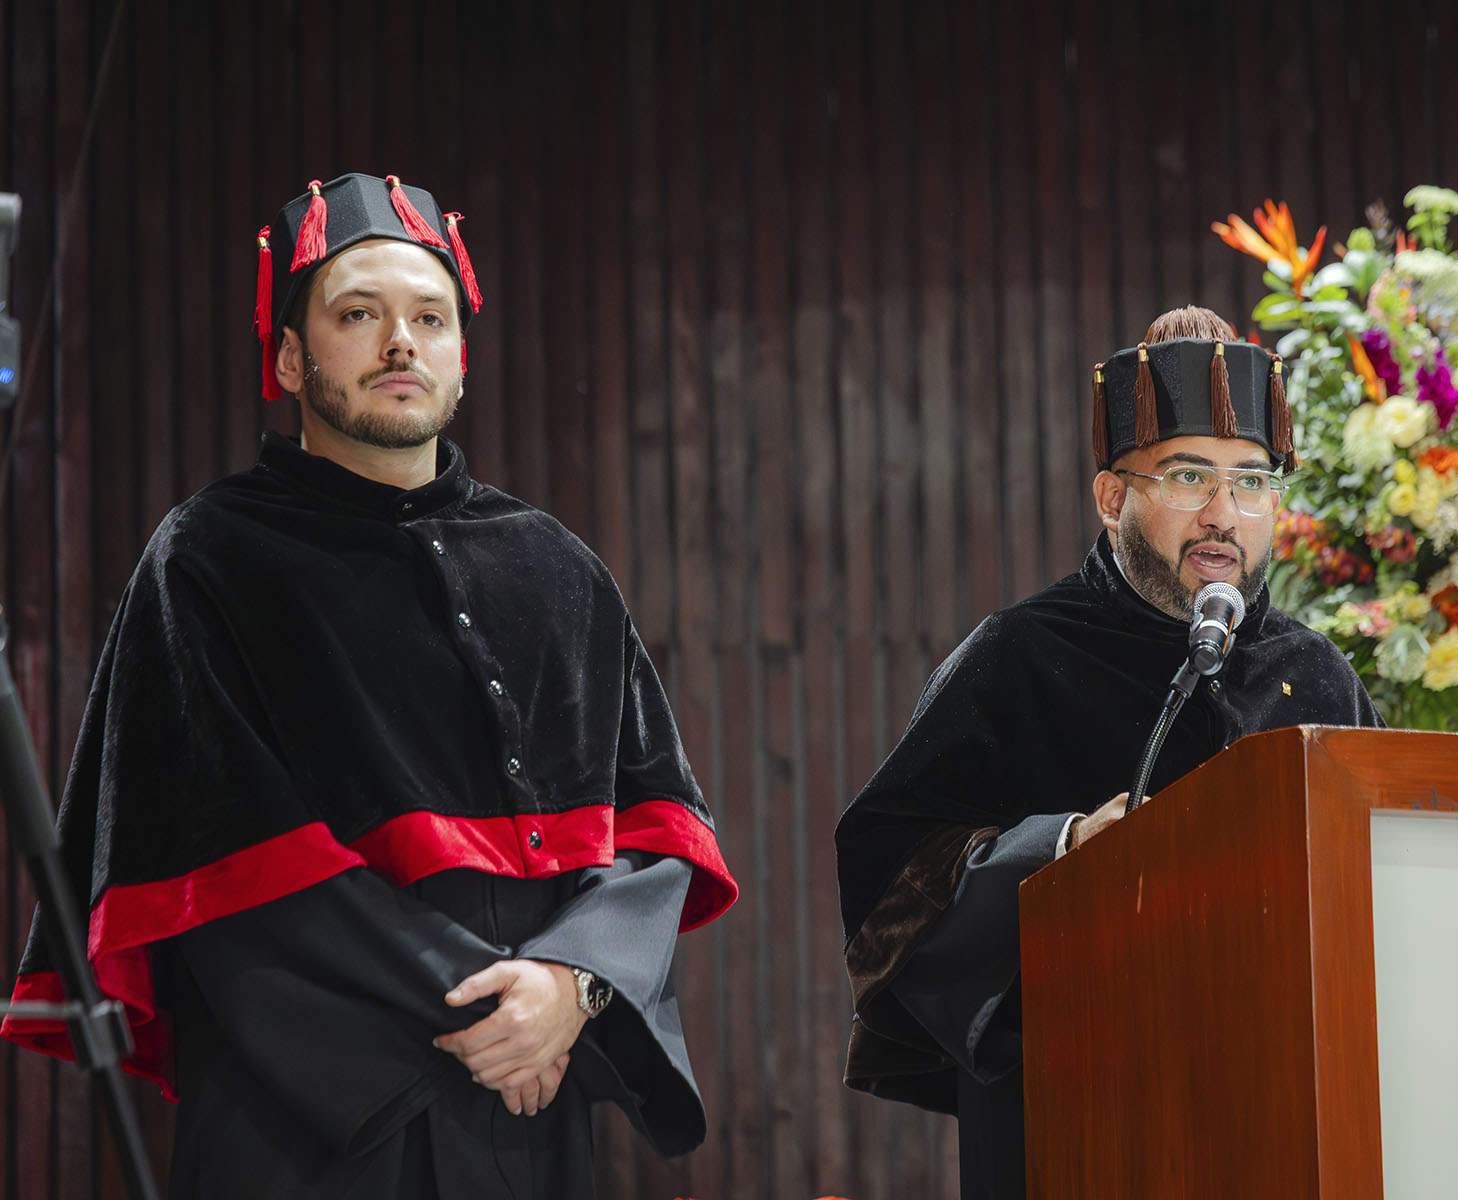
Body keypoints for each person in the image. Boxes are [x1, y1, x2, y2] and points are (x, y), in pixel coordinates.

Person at [1, 173, 736, 1198]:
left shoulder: (558, 567)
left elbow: (658, 834)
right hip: (311, 1128)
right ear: (292, 357)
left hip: (536, 1113)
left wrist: (574, 986)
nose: (402, 341)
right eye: (360, 314)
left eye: (429, 317)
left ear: (459, 357)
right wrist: (499, 1013)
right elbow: (226, 865)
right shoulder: (208, 561)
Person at [834, 305, 1383, 1199]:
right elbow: (884, 876)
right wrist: (1057, 853)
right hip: (1077, 1123)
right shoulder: (1018, 655)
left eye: (1251, 481)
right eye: (1186, 477)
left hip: (1292, 1118)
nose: (1223, 515)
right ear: (1112, 496)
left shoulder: (1314, 673)